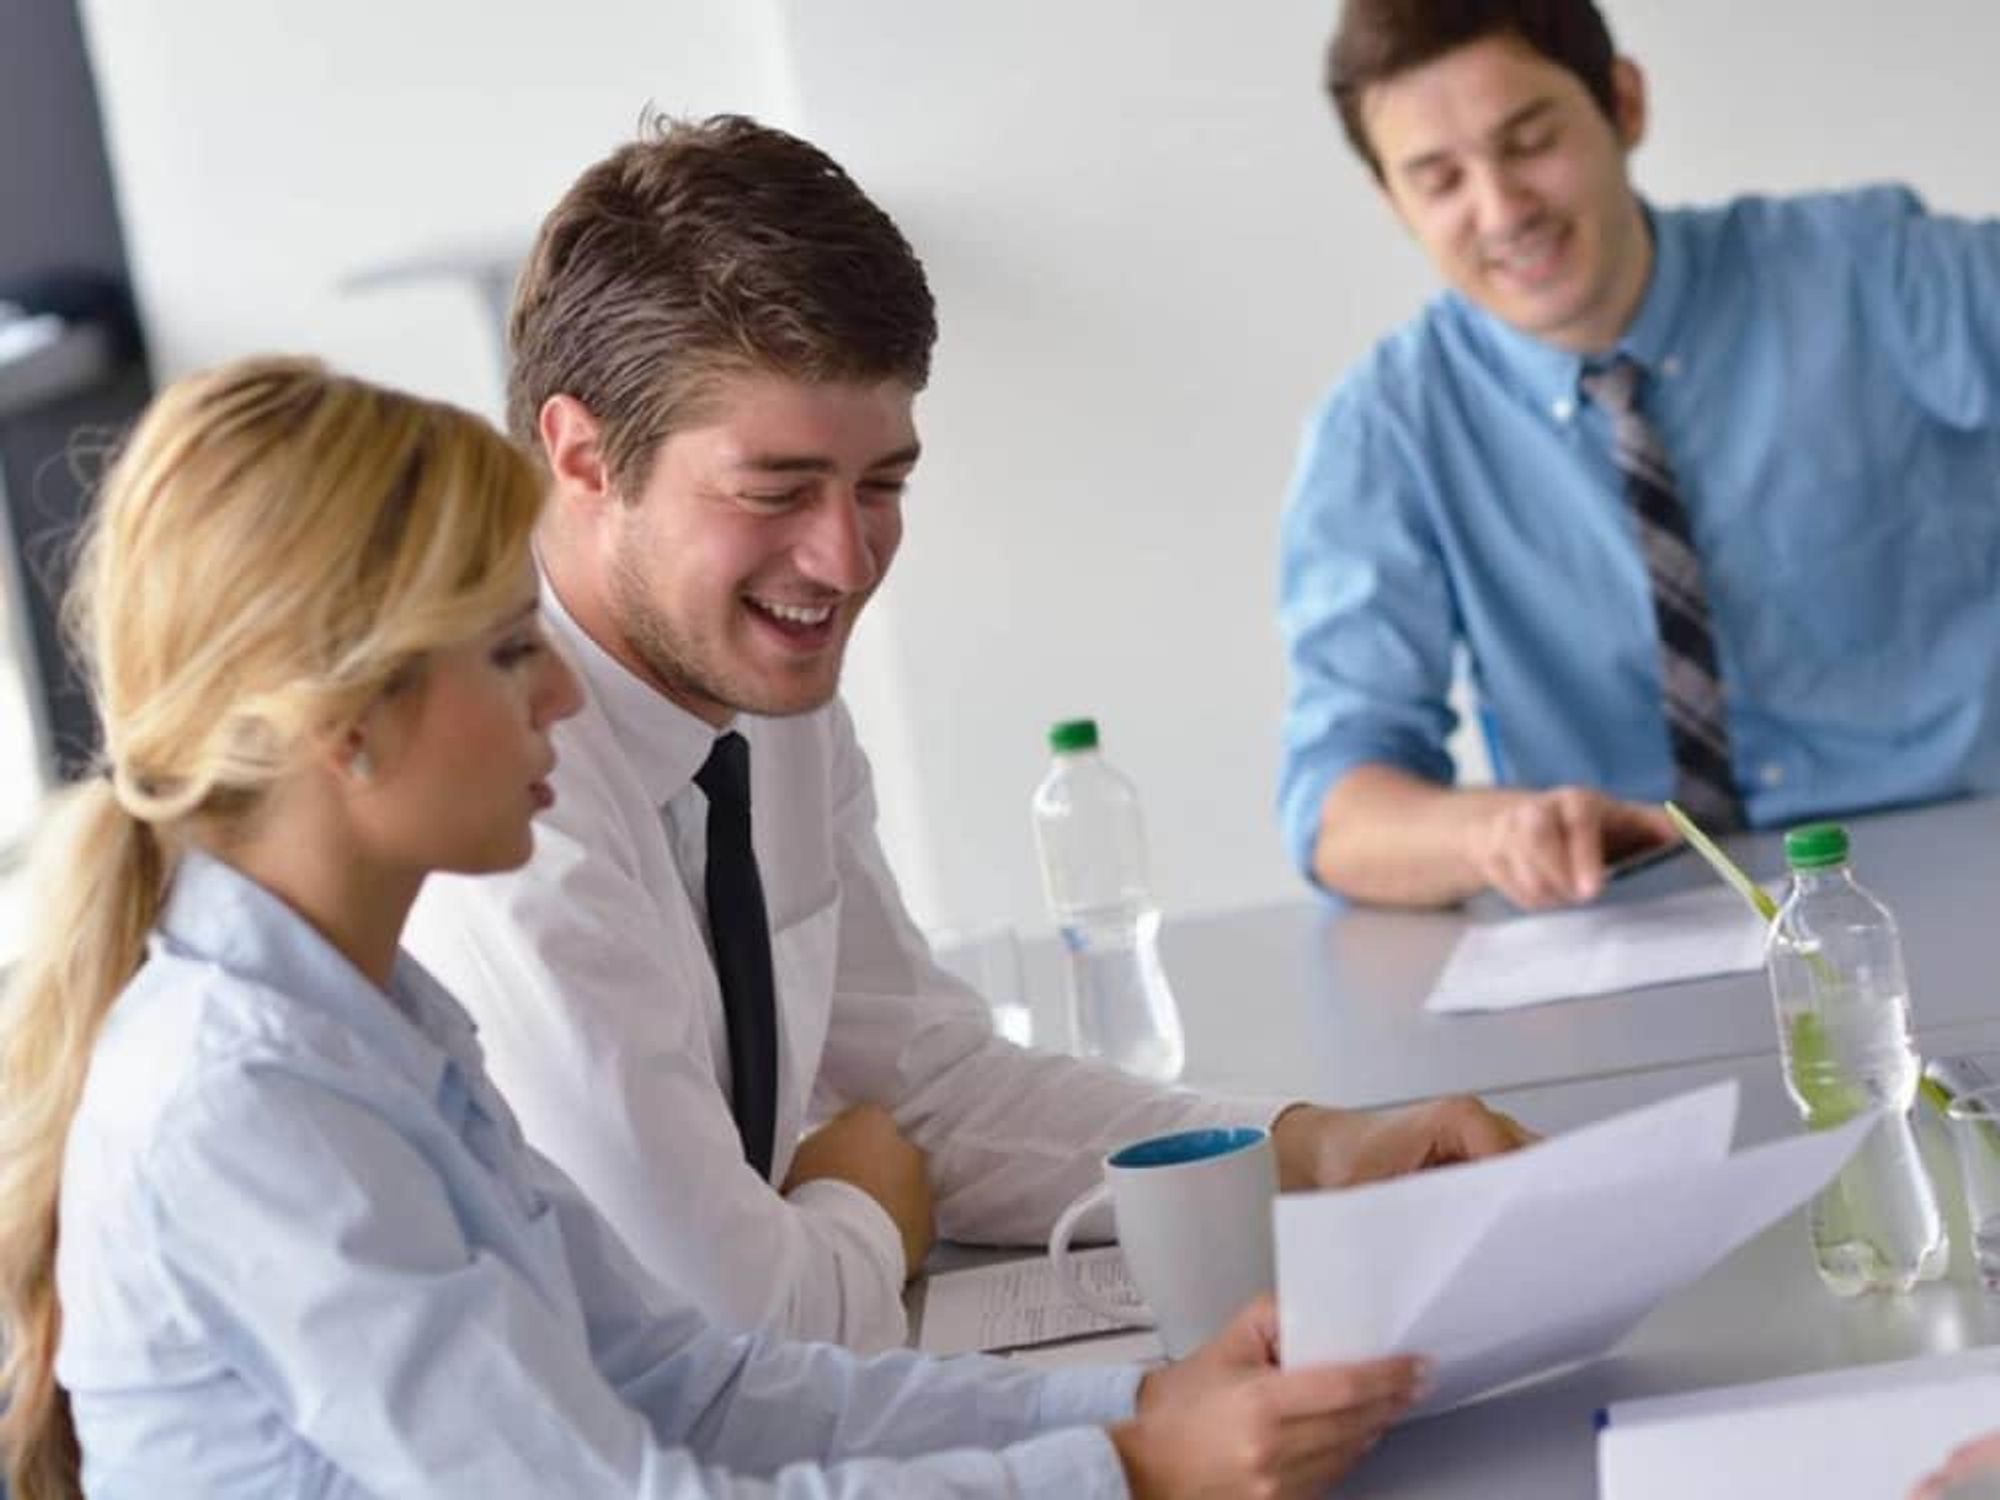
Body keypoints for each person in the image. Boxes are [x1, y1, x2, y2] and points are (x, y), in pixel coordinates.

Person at [0, 356, 1430, 1499]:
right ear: (347, 726)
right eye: (510, 657)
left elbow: (705, 1386)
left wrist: (1141, 1409)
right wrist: (1122, 1472)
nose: (561, 698)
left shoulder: (369, 1029)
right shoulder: (243, 1108)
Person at [404, 114, 1530, 1353]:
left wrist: (1311, 1147)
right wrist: (869, 1199)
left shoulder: (757, 694)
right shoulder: (498, 804)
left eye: (881, 484)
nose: (842, 559)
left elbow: (921, 1084)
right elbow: (724, 1324)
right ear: (582, 456)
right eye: (775, 490)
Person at [1278, 0, 2000, 911]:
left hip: (1966, 879)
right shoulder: (1384, 432)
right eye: (1439, 179)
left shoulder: (1873, 273)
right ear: (1392, 199)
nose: (1501, 211)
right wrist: (1491, 833)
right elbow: (1338, 803)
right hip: (1644, 924)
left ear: (1623, 105)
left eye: (1531, 141)